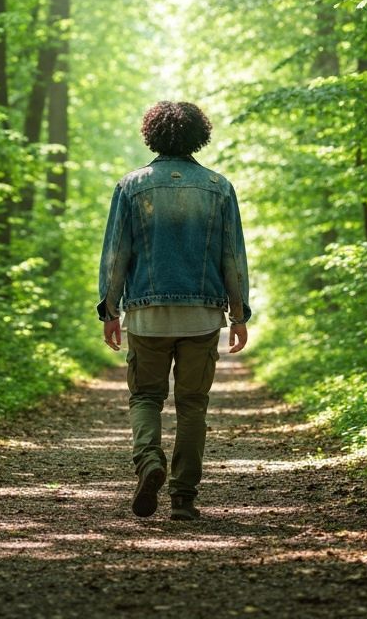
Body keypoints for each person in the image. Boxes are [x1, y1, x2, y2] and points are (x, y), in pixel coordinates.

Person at [98, 100, 250, 521]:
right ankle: (184, 498)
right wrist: (239, 314)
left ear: (152, 134)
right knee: (192, 405)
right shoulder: (219, 186)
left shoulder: (132, 185)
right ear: (199, 135)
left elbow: (117, 255)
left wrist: (109, 309)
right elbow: (231, 257)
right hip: (202, 316)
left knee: (146, 396)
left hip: (147, 314)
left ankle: (149, 463)